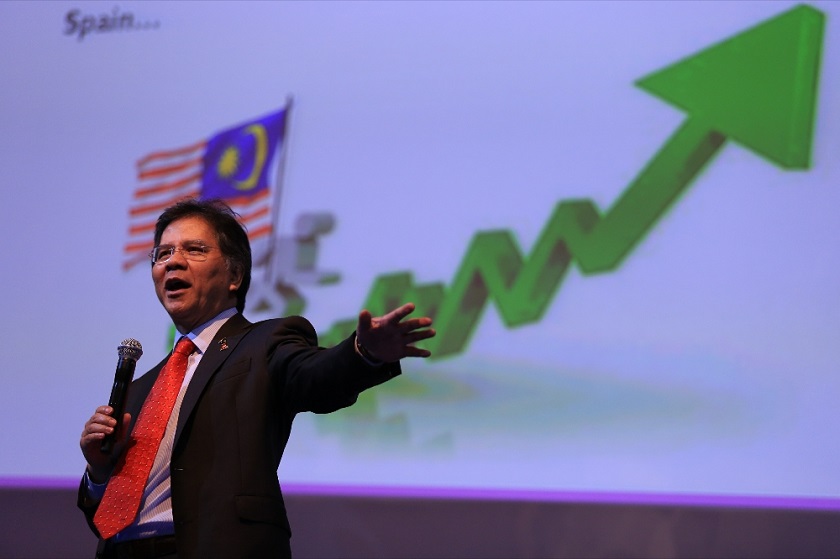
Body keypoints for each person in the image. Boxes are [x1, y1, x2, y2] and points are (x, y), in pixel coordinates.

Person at [78, 199, 435, 558]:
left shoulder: (265, 342)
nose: (172, 260)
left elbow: (318, 378)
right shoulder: (142, 389)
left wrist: (364, 352)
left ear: (235, 276)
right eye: (163, 252)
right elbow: (105, 516)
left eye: (195, 249)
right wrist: (98, 471)